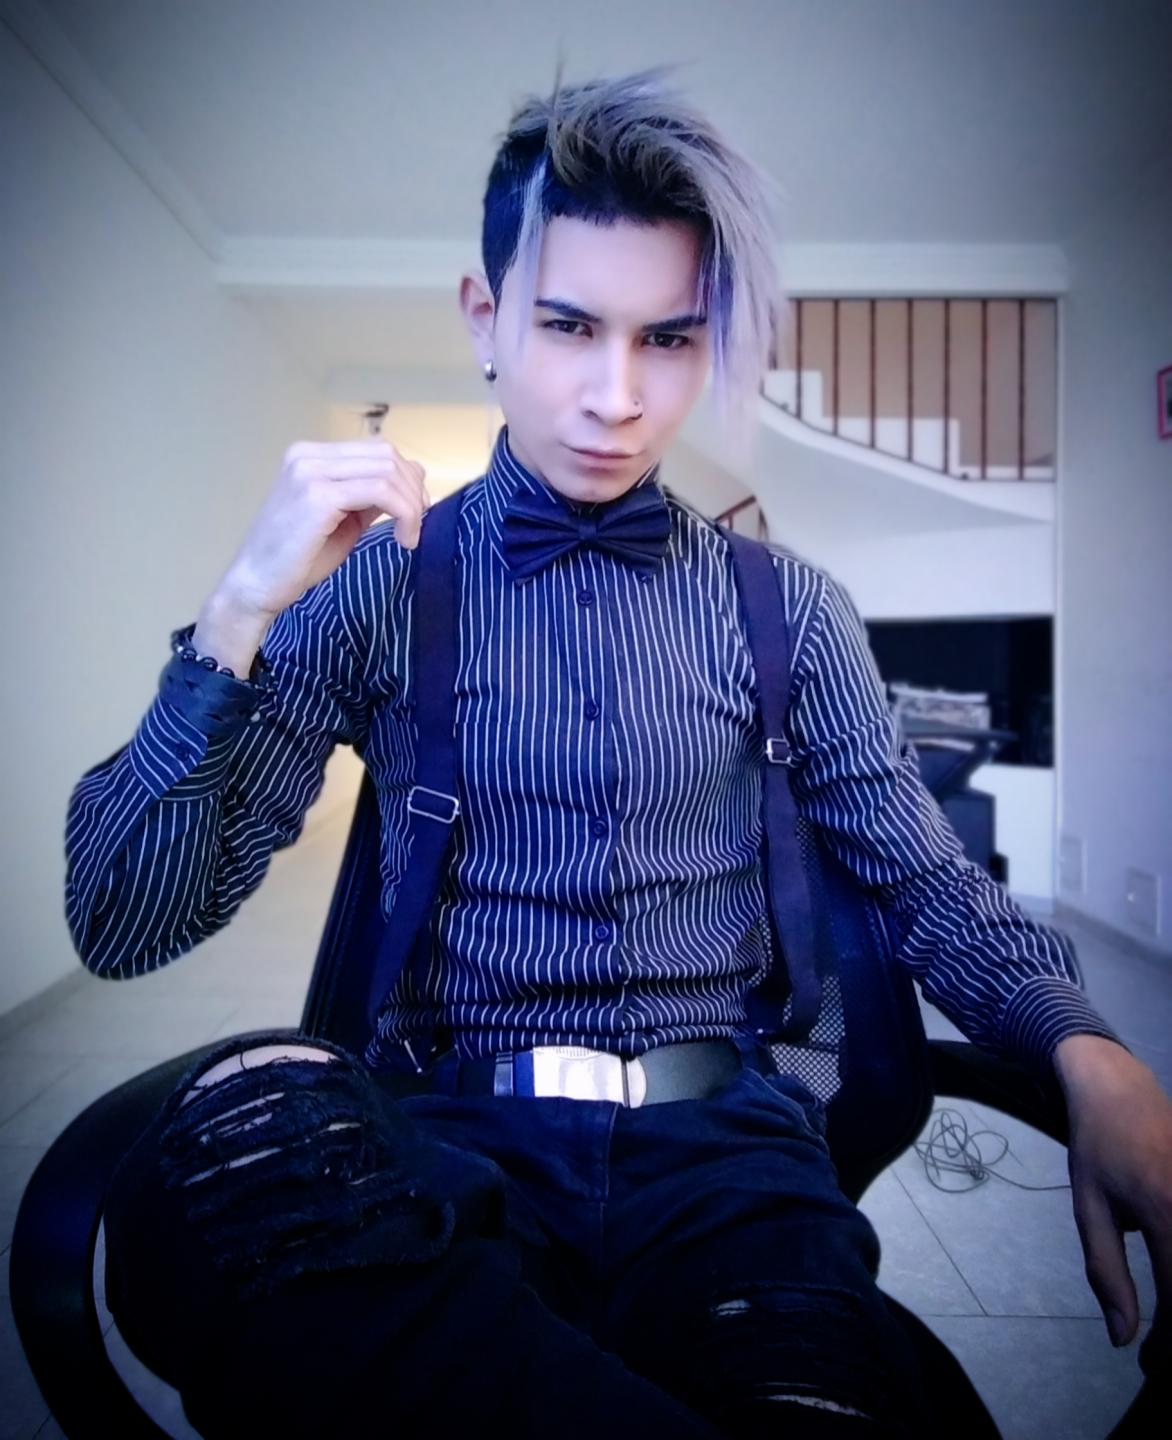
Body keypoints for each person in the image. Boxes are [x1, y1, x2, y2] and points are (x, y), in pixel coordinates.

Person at [65, 62, 1171, 1437]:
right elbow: (124, 921)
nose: (616, 396)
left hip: (731, 1166)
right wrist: (240, 606)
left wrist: (1085, 1046)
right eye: (569, 326)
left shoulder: (790, 608)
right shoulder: (376, 590)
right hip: (447, 1138)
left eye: (668, 340)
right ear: (486, 319)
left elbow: (926, 880)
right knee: (225, 1146)